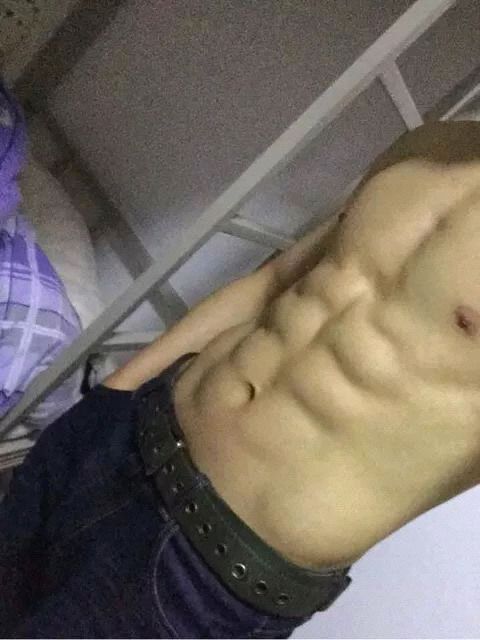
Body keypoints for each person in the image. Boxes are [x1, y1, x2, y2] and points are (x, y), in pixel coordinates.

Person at [1, 120, 480, 638]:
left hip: (203, 572)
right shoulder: (435, 143)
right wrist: (115, 393)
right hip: (121, 434)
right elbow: (276, 281)